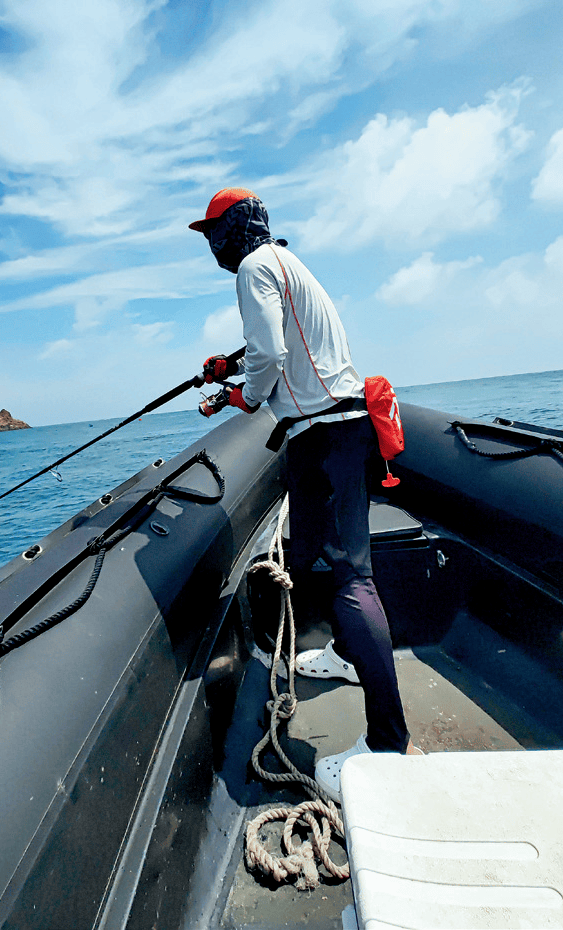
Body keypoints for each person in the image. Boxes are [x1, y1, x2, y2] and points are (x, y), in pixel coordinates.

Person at [190, 187, 421, 803]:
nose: (210, 245)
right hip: (329, 433)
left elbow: (271, 352)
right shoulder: (287, 264)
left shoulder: (253, 267)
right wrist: (230, 367)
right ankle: (347, 654)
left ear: (235, 228)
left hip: (327, 435)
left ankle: (388, 743)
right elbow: (283, 346)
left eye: (213, 232)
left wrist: (239, 395)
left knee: (351, 577)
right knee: (310, 549)